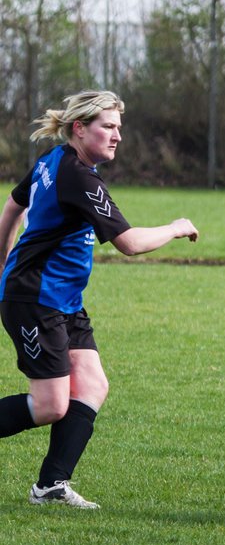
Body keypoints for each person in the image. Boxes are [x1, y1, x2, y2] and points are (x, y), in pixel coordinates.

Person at [0, 90, 199, 509]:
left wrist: (2, 262)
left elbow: (12, 208)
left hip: (63, 300)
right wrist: (176, 226)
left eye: (118, 128)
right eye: (108, 127)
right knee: (51, 405)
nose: (117, 136)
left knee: (91, 384)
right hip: (35, 300)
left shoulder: (53, 160)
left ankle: (51, 487)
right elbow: (128, 243)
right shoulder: (77, 175)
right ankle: (51, 486)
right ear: (79, 129)